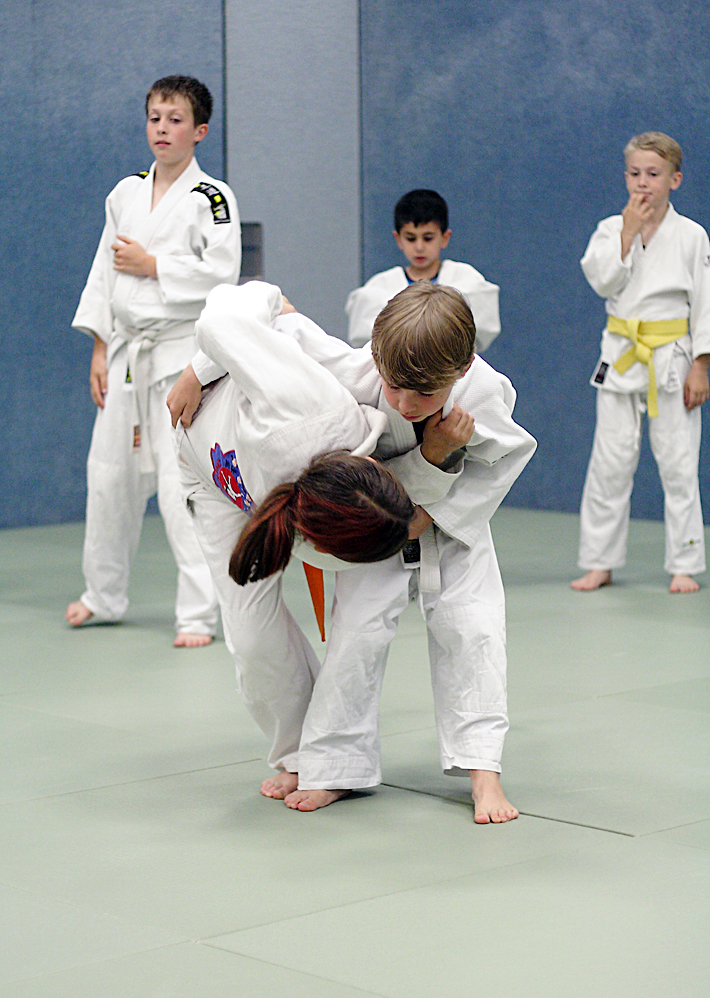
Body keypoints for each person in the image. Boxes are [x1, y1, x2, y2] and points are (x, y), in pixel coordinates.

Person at [173, 282, 536, 823]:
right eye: (394, 389)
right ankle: (334, 768)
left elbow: (499, 465)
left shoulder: (483, 394)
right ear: (375, 352)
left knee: (473, 628)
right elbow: (274, 328)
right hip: (368, 518)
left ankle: (484, 773)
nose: (406, 405)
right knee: (357, 636)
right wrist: (197, 371)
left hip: (451, 518)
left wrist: (431, 499)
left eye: (425, 396)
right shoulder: (353, 369)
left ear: (461, 371)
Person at [170, 280, 415, 779]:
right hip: (209, 471)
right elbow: (222, 319)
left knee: (361, 614)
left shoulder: (358, 491)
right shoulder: (306, 408)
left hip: (260, 488)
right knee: (251, 636)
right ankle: (295, 752)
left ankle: (326, 758)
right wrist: (199, 368)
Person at [65, 75, 241, 645]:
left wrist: (155, 266)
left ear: (200, 131)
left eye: (175, 119)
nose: (162, 129)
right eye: (155, 117)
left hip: (178, 358)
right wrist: (98, 343)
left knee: (178, 487)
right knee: (108, 477)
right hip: (125, 354)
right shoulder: (124, 194)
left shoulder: (212, 198)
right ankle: (103, 594)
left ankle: (197, 615)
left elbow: (223, 275)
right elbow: (102, 273)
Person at [571, 132, 710, 594]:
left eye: (654, 174)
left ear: (676, 179)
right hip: (621, 356)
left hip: (672, 360)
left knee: (678, 462)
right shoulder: (611, 229)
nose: (643, 183)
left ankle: (685, 563)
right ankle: (599, 561)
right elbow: (603, 282)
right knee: (609, 463)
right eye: (635, 173)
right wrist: (628, 234)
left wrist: (701, 366)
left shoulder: (692, 236)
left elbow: (705, 305)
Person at [345, 188, 501, 351]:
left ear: (444, 238)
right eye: (411, 238)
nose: (419, 247)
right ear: (398, 239)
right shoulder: (379, 286)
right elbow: (366, 340)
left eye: (428, 238)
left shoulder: (466, 279)